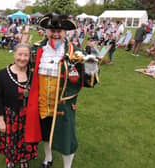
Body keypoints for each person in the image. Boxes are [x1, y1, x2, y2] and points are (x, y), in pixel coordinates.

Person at [24, 13, 99, 168]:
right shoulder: (37, 49)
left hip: (64, 105)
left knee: (66, 138)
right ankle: (48, 158)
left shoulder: (76, 53)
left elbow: (90, 82)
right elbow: (24, 69)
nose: (56, 34)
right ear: (46, 31)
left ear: (65, 33)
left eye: (60, 30)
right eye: (52, 30)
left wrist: (91, 65)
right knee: (46, 134)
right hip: (42, 102)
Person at [0, 43, 38, 168]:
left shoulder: (33, 74)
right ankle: (11, 160)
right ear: (14, 55)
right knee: (11, 140)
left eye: (26, 55)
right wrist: (0, 119)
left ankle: (23, 158)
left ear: (30, 57)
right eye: (20, 54)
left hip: (28, 116)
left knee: (26, 139)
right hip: (10, 116)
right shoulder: (2, 74)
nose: (22, 58)